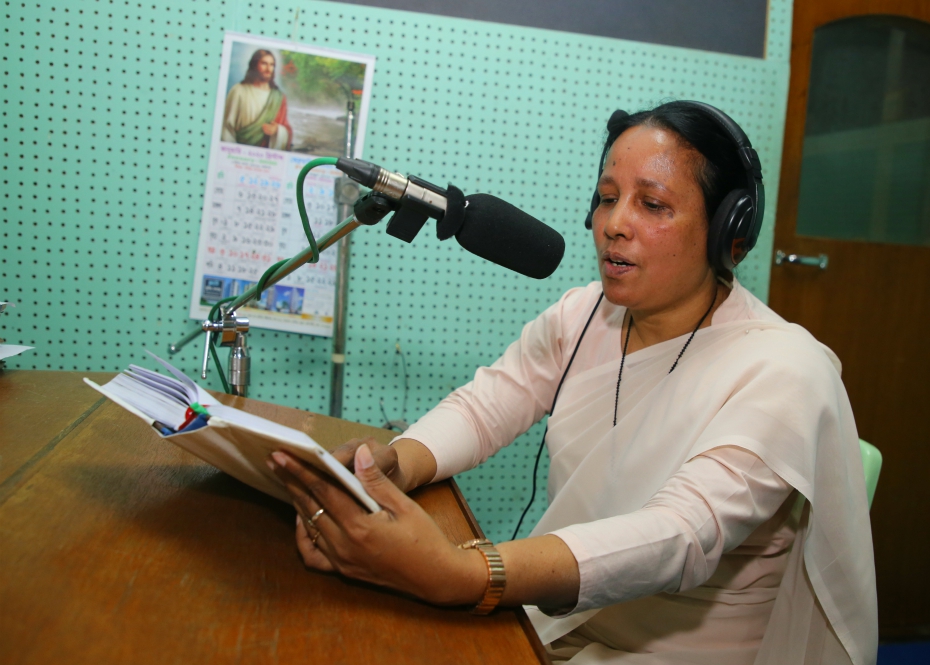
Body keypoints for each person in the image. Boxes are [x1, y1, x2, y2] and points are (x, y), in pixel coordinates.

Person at [268, 101, 877, 665]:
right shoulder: (584, 314)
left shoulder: (785, 369)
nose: (614, 224)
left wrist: (466, 575)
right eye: (607, 198)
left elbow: (682, 535)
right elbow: (486, 408)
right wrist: (395, 464)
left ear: (729, 233)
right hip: (558, 621)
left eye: (653, 205)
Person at [221, 49, 292, 150]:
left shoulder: (279, 97)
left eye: (272, 65)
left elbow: (287, 129)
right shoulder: (238, 91)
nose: (268, 69)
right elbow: (226, 128)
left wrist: (277, 131)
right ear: (254, 65)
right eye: (264, 64)